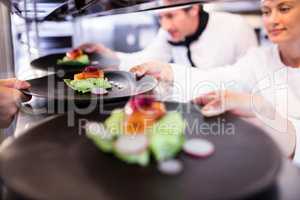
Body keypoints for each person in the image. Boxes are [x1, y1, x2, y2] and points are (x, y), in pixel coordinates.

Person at [130, 0, 300, 160]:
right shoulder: (260, 58)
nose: (272, 20)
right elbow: (219, 79)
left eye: (284, 9)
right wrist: (168, 71)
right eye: (266, 11)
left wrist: (261, 107)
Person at [79, 3, 257, 70]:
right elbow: (145, 60)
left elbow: (252, 79)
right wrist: (108, 54)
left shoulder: (236, 27)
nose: (165, 25)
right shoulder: (168, 32)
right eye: (161, 17)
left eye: (170, 16)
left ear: (193, 8)